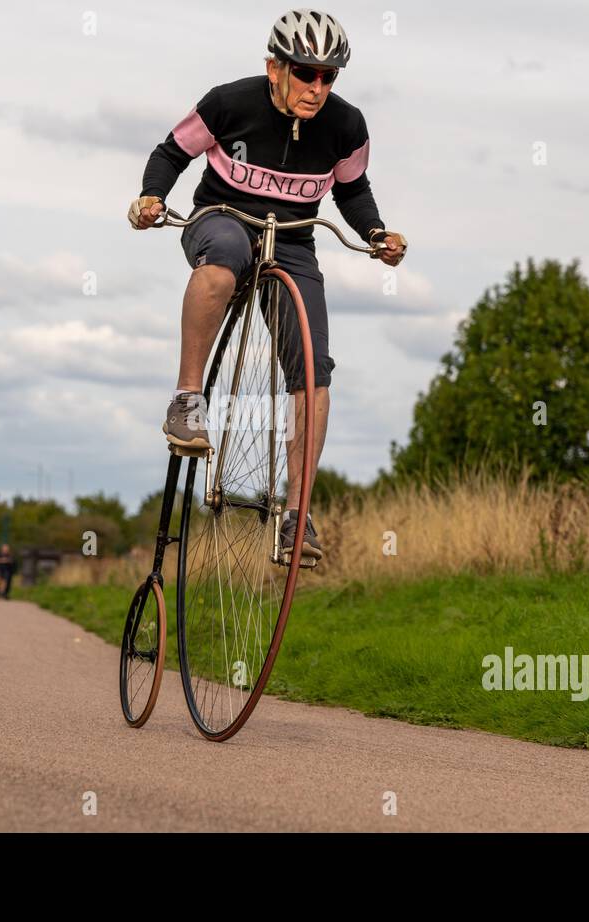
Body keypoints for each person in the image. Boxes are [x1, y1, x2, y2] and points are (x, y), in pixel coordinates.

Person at [128, 9, 407, 565]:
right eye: (307, 72)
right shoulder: (229, 102)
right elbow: (171, 153)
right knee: (226, 256)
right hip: (222, 219)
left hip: (296, 242)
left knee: (313, 364)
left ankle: (297, 515)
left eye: (330, 76)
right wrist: (152, 196)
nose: (318, 87)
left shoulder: (346, 126)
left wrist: (375, 232)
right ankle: (187, 401)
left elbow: (352, 192)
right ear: (275, 67)